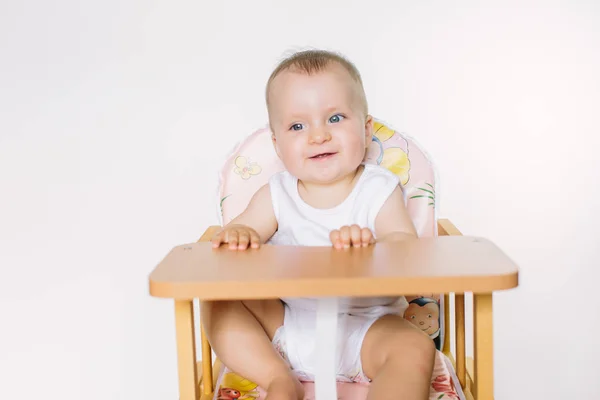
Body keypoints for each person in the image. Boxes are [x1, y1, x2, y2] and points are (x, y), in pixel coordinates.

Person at [202, 49, 435, 400]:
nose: (318, 136)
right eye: (298, 126)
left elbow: (405, 246)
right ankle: (278, 379)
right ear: (277, 145)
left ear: (366, 128)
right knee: (217, 298)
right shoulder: (276, 194)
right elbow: (239, 232)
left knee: (415, 347)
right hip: (288, 326)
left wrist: (373, 247)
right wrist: (240, 234)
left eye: (336, 118)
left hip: (367, 329)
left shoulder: (378, 188)